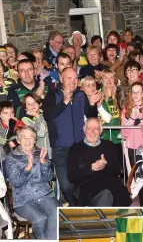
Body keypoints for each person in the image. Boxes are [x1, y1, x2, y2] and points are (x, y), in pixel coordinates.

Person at [43, 67, 100, 205]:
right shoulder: (52, 95)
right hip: (61, 149)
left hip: (80, 147)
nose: (73, 81)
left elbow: (91, 116)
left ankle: (83, 210)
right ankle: (76, 208)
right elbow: (48, 116)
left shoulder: (81, 95)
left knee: (84, 182)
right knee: (66, 185)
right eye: (69, 78)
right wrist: (64, 102)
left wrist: (92, 104)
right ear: (61, 79)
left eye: (75, 78)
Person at [5, 126, 58, 239]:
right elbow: (16, 182)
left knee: (56, 213)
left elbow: (48, 178)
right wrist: (28, 167)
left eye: (31, 138)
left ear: (35, 140)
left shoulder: (41, 153)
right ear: (19, 140)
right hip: (24, 200)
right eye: (24, 138)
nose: (28, 141)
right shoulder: (11, 158)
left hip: (44, 195)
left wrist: (43, 162)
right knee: (40, 219)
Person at [67, 118, 131, 206]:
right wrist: (91, 168)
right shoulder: (75, 149)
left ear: (100, 131)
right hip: (86, 188)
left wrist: (105, 166)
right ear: (84, 130)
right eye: (89, 128)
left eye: (96, 129)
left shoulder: (109, 145)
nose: (92, 132)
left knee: (110, 193)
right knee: (105, 195)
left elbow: (117, 171)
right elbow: (72, 176)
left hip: (109, 184)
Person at [121, 82, 143, 179]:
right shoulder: (126, 109)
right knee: (133, 176)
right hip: (131, 148)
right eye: (133, 92)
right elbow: (124, 132)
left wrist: (141, 119)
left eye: (138, 92)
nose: (135, 95)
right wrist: (132, 118)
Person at [20, 93, 52, 159]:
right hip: (39, 153)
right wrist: (37, 116)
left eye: (34, 102)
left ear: (40, 104)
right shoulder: (25, 120)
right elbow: (41, 133)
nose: (32, 105)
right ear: (25, 108)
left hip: (53, 150)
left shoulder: (47, 113)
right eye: (28, 104)